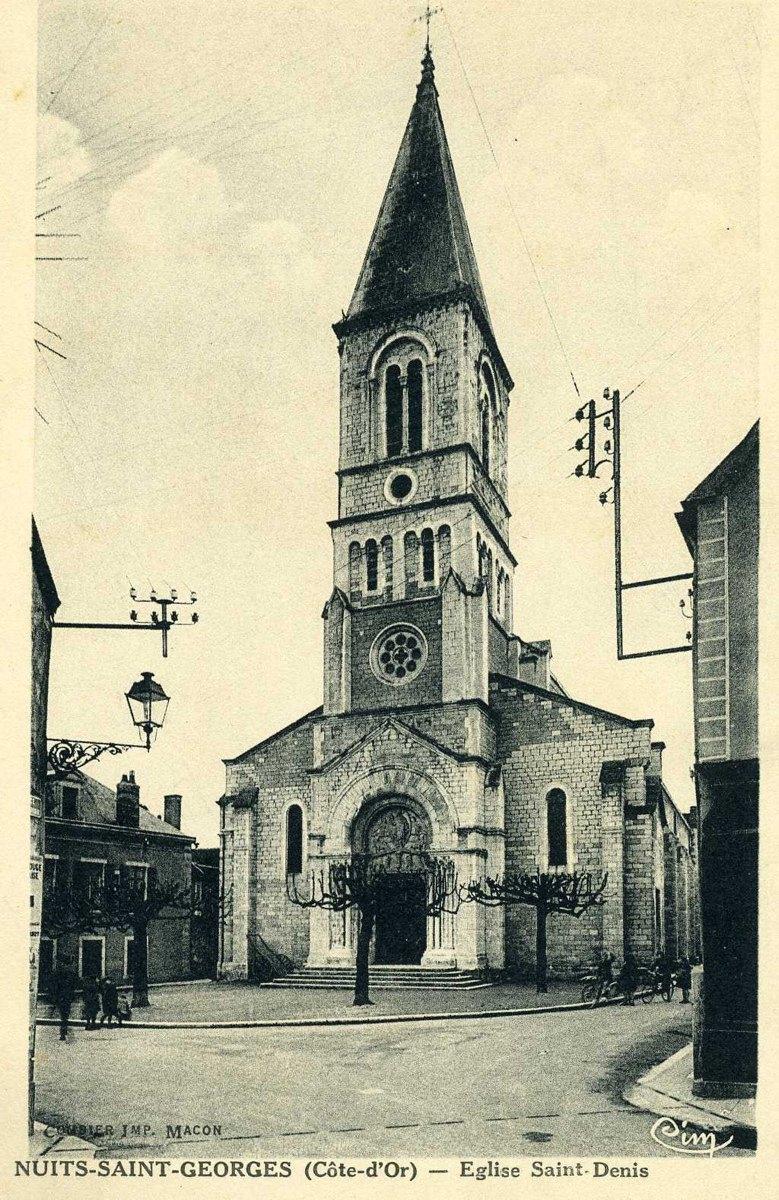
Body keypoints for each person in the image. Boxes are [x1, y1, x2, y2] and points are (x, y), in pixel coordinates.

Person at [51, 955, 79, 1041]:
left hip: (60, 996)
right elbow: (76, 984)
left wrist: (54, 996)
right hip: (67, 996)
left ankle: (63, 1032)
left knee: (63, 1015)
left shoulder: (57, 973)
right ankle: (64, 1031)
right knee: (65, 1015)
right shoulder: (71, 973)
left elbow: (54, 985)